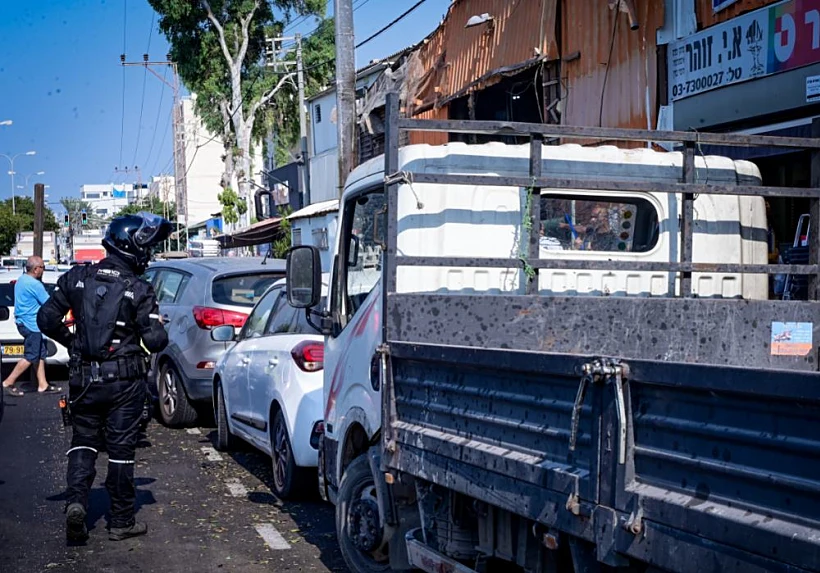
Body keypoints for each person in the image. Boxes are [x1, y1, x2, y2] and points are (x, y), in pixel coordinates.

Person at [37, 212, 172, 542]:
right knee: (121, 450)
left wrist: (74, 344)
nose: (149, 255)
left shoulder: (76, 278)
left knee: (82, 442)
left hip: (84, 380)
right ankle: (122, 521)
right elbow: (155, 341)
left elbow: (45, 319)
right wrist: (157, 327)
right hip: (124, 384)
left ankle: (76, 504)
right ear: (133, 248)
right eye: (147, 248)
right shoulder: (139, 289)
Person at [1, 256, 61, 397]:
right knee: (31, 355)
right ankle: (8, 382)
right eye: (42, 267)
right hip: (32, 325)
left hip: (24, 322)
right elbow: (48, 303)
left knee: (40, 353)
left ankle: (42, 384)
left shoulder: (21, 280)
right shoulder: (35, 285)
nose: (43, 270)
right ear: (36, 269)